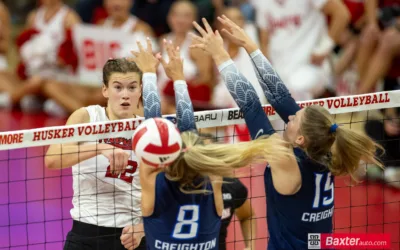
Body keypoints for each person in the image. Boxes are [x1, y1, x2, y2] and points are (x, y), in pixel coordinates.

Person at [191, 16, 383, 249]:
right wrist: (251, 47)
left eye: (293, 120)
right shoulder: (324, 146)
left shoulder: (285, 158)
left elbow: (251, 105)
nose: (289, 117)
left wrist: (220, 55)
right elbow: (281, 97)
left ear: (301, 139)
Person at [123, 38, 289, 250]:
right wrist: (177, 79)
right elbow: (172, 133)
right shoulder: (214, 182)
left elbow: (154, 131)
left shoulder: (156, 185)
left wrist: (150, 73)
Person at [44, 57, 146, 249]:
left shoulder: (147, 127)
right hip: (86, 233)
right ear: (105, 90)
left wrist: (144, 228)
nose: (125, 95)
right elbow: (52, 160)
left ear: (140, 89)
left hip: (132, 235)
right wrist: (100, 147)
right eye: (118, 87)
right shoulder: (87, 117)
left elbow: (163, 187)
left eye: (132, 88)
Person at [200, 134, 257, 250]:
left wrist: (250, 246)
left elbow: (247, 216)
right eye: (203, 155)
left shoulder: (232, 187)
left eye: (212, 155)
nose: (208, 161)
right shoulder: (177, 188)